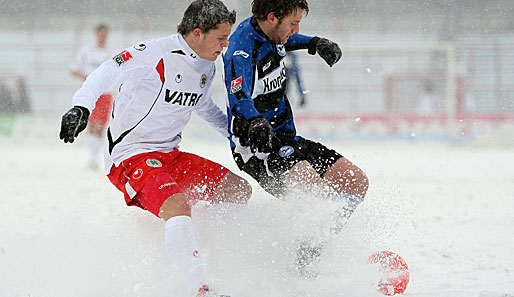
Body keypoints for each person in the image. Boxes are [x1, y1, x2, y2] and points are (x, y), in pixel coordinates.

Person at [60, 1, 251, 296]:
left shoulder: (207, 66)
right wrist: (80, 108)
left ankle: (205, 253)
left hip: (170, 155)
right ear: (198, 33)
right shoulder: (155, 53)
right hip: (130, 155)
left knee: (238, 190)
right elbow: (105, 71)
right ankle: (198, 288)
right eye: (221, 38)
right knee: (178, 205)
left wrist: (238, 133)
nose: (226, 45)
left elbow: (205, 108)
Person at [222, 0, 369, 276]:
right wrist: (255, 121)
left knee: (355, 182)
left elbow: (286, 42)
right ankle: (298, 267)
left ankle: (311, 248)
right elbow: (237, 96)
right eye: (293, 23)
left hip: (287, 138)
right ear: (272, 18)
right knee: (316, 193)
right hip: (255, 147)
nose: (296, 29)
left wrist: (314, 43)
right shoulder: (240, 49)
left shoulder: (272, 33)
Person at [70, 23, 115, 169]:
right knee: (92, 123)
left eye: (105, 33)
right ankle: (92, 157)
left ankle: (95, 156)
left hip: (106, 93)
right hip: (91, 92)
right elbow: (73, 70)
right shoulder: (86, 52)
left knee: (101, 125)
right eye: (100, 33)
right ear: (96, 34)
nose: (103, 36)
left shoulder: (111, 53)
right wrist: (86, 77)